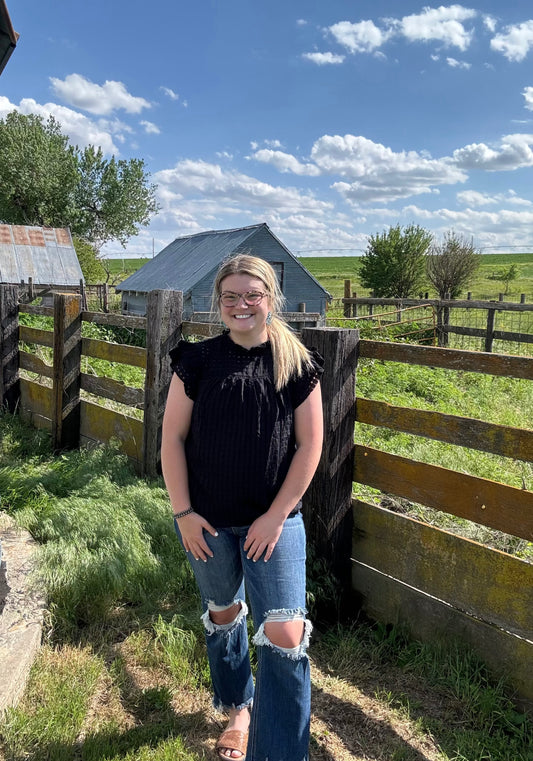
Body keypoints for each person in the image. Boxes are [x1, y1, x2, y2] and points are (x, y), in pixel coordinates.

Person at [161, 254, 324, 761]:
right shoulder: (198, 360)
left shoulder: (297, 364)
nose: (241, 305)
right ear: (218, 303)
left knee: (285, 633)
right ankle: (239, 707)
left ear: (270, 298)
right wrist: (184, 514)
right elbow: (171, 439)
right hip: (206, 522)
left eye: (252, 295)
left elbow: (311, 445)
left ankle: (278, 752)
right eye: (230, 296)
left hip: (274, 523)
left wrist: (276, 516)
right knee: (224, 612)